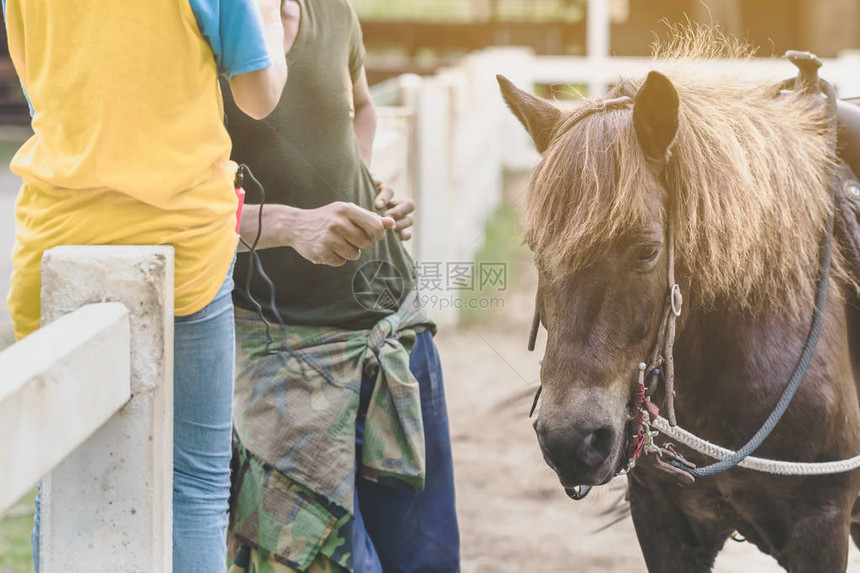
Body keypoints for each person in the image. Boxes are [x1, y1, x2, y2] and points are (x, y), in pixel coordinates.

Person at [2, 1, 287, 571]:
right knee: (195, 486)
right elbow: (259, 98)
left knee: (62, 485)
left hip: (60, 238)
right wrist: (271, 22)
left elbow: (43, 92)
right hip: (181, 243)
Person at [222, 1, 460, 571]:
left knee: (425, 559)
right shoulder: (201, 30)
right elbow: (173, 209)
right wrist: (292, 224)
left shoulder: (332, 10)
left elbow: (363, 109)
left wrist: (364, 185)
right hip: (284, 360)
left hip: (398, 338)